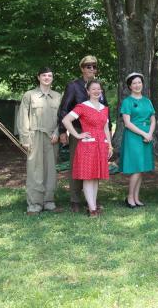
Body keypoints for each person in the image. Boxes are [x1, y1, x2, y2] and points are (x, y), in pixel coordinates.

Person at [58, 55, 110, 213]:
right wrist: (62, 131)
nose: (91, 69)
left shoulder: (98, 86)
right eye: (88, 66)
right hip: (80, 131)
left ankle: (91, 201)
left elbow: (105, 109)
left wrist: (108, 137)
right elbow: (64, 109)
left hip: (98, 133)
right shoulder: (73, 86)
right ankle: (75, 199)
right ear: (82, 68)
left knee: (95, 166)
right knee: (77, 165)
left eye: (94, 66)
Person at [17, 67, 62, 215]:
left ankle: (48, 201)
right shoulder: (29, 95)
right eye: (44, 75)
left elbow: (62, 117)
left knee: (51, 169)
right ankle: (35, 203)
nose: (47, 78)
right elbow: (23, 117)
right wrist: (25, 138)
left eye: (50, 75)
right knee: (35, 170)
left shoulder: (57, 96)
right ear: (38, 77)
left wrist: (58, 132)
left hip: (52, 137)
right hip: (34, 136)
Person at [119, 73, 155, 208]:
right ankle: (129, 197)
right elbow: (127, 123)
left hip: (147, 135)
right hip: (134, 136)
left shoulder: (147, 101)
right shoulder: (127, 102)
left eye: (139, 82)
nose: (137, 85)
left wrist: (150, 133)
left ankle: (136, 197)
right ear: (130, 86)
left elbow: (153, 119)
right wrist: (143, 134)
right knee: (136, 167)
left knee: (142, 168)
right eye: (134, 83)